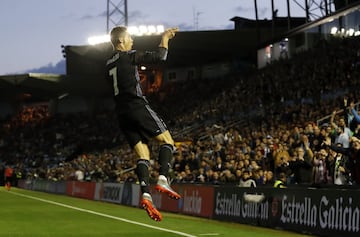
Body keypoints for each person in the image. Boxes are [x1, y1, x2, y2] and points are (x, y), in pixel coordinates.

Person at [105, 26, 181, 222]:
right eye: (129, 38)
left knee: (143, 154)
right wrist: (165, 38)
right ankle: (164, 178)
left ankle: (146, 195)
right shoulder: (127, 56)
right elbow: (160, 56)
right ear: (121, 42)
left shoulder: (108, 63)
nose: (132, 40)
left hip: (121, 114)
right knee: (167, 142)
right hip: (136, 106)